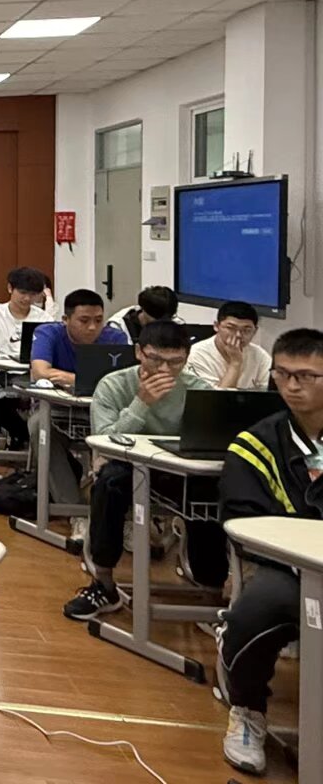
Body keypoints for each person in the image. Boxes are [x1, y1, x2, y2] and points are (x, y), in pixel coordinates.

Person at [215, 328, 323, 776]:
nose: (292, 386)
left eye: (307, 376)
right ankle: (247, 710)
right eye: (283, 375)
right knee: (255, 612)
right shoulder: (255, 443)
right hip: (290, 567)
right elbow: (242, 520)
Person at [63, 322, 207, 621]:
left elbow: (209, 440)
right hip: (126, 466)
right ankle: (103, 582)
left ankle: (212, 588)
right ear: (139, 352)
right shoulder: (114, 384)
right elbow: (104, 440)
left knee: (210, 491)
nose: (164, 369)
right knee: (109, 482)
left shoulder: (198, 389)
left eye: (175, 362)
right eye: (156, 359)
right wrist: (142, 403)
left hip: (177, 472)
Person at [31, 289, 131, 387]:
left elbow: (122, 381)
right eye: (84, 321)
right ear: (65, 320)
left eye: (98, 320)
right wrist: (92, 382)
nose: (92, 327)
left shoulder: (115, 337)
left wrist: (76, 380)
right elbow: (40, 373)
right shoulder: (48, 333)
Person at [186, 301, 270, 391]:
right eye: (231, 328)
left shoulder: (260, 355)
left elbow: (271, 392)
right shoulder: (196, 355)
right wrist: (235, 363)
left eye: (246, 330)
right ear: (216, 326)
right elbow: (216, 398)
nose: (238, 335)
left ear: (255, 331)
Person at [0, 267, 48, 359]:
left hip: (33, 366)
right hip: (2, 365)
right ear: (10, 288)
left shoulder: (44, 318)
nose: (27, 298)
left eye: (33, 294)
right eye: (23, 293)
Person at [107, 285, 180, 342]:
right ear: (144, 310)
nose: (162, 324)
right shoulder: (118, 327)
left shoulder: (176, 324)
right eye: (158, 320)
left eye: (168, 319)